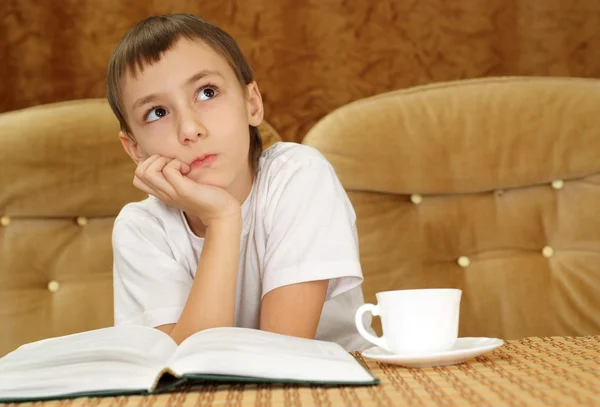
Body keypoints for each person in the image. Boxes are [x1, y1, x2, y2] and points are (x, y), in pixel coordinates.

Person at [106, 13, 371, 351]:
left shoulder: (299, 176)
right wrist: (223, 219)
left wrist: (220, 218)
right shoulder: (141, 230)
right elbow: (187, 370)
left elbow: (283, 356)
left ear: (252, 103)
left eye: (207, 92)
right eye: (158, 113)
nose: (190, 130)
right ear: (135, 149)